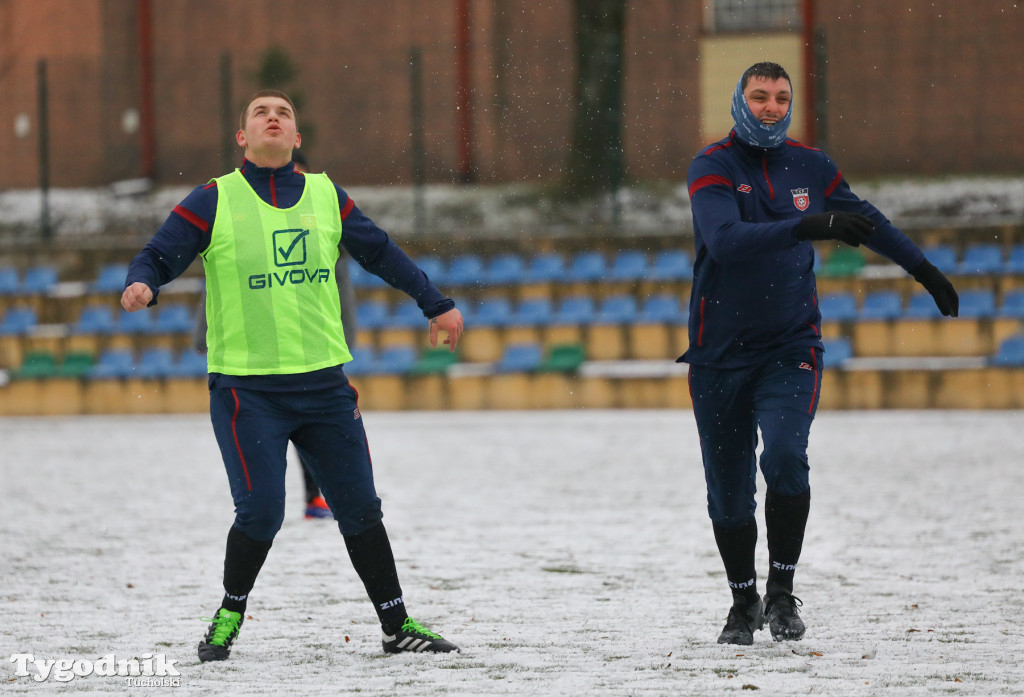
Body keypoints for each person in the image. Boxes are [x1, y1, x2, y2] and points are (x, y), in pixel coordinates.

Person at [122, 89, 464, 661]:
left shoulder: (327, 195)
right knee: (261, 511)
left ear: (296, 137)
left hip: (326, 388)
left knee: (359, 507)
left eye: (283, 114)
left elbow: (380, 252)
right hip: (247, 391)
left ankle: (396, 626)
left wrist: (436, 302)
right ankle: (229, 613)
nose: (273, 118)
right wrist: (143, 283)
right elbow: (159, 253)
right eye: (261, 113)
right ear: (243, 137)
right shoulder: (214, 199)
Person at [683, 62, 958, 645]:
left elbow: (868, 222)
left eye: (781, 98)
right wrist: (807, 225)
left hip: (791, 346)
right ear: (740, 100)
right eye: (759, 97)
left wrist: (925, 270)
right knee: (728, 494)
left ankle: (782, 595)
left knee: (784, 457)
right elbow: (724, 243)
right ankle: (742, 603)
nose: (771, 107)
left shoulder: (811, 165)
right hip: (717, 355)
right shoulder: (712, 165)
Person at [190, 149, 355, 520]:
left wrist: (346, 335)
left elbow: (341, 289)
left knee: (315, 437)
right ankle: (262, 504)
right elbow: (219, 288)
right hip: (257, 364)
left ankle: (315, 497)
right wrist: (204, 334)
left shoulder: (324, 216)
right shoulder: (239, 216)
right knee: (265, 443)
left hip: (313, 355)